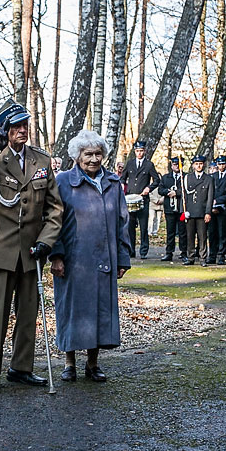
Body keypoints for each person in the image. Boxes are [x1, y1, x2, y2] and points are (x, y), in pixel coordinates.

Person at [0, 100, 63, 393]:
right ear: (5, 130)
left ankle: (21, 368)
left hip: (30, 250)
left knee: (28, 312)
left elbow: (55, 208)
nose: (22, 130)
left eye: (25, 125)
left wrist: (46, 241)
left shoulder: (40, 160)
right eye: (16, 126)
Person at [50, 130, 130, 383]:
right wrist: (56, 255)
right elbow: (52, 221)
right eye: (88, 154)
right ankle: (69, 363)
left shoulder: (113, 183)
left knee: (99, 310)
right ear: (77, 156)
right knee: (72, 310)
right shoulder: (63, 181)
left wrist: (123, 257)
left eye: (98, 154)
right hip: (73, 259)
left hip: (103, 258)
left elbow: (123, 222)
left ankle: (93, 364)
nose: (94, 159)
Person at [120, 140, 160, 258]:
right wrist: (122, 185)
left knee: (143, 226)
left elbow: (157, 180)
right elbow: (123, 177)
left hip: (143, 199)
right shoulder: (130, 163)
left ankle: (143, 251)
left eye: (141, 151)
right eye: (137, 151)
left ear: (144, 151)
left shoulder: (149, 165)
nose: (139, 153)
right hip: (130, 198)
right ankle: (131, 250)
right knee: (130, 227)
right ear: (135, 151)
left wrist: (149, 188)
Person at [182, 155, 214, 266]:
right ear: (193, 165)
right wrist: (183, 212)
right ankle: (190, 257)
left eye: (200, 164)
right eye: (196, 164)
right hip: (190, 212)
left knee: (202, 237)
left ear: (203, 165)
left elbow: (210, 198)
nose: (199, 166)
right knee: (190, 236)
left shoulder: (209, 179)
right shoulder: (188, 178)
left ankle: (202, 258)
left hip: (202, 212)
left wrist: (208, 212)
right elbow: (184, 196)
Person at [207, 156, 226, 265]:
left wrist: (217, 201)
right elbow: (209, 191)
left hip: (223, 208)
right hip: (212, 207)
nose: (221, 166)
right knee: (212, 232)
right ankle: (212, 255)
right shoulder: (212, 176)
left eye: (223, 164)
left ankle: (221, 256)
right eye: (219, 164)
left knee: (222, 233)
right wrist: (212, 203)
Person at [159, 156, 187, 262]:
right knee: (170, 231)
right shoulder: (166, 177)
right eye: (175, 165)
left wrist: (177, 192)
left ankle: (184, 252)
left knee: (182, 231)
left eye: (179, 165)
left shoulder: (186, 177)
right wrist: (168, 192)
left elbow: (187, 189)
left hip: (181, 208)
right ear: (171, 166)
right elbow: (160, 189)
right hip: (169, 209)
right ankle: (169, 252)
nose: (177, 167)